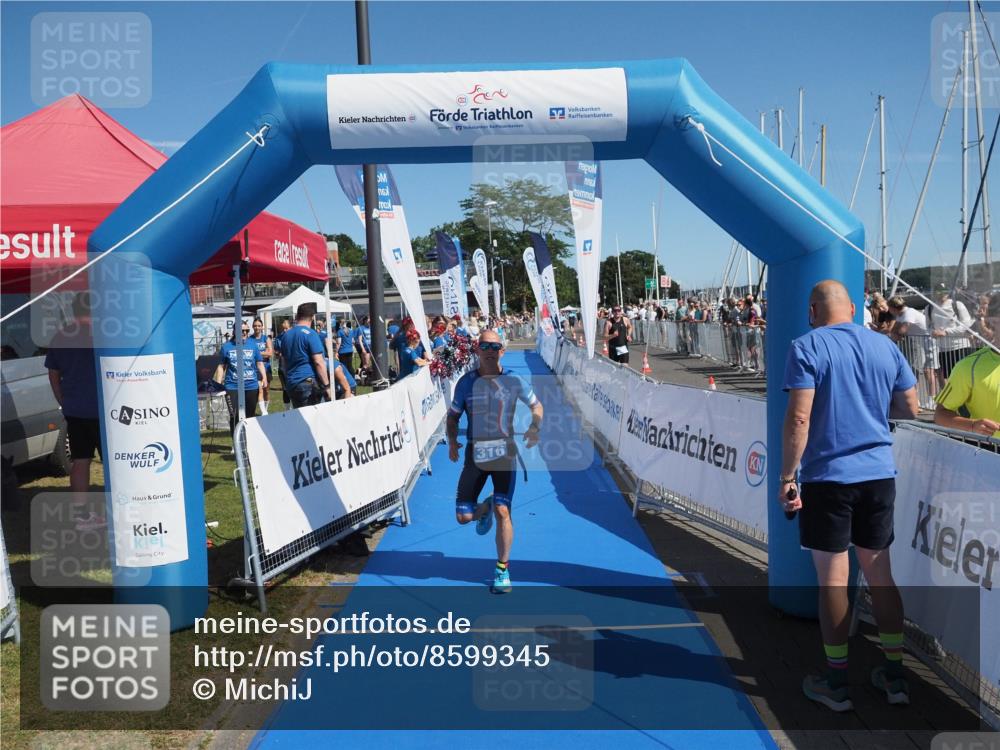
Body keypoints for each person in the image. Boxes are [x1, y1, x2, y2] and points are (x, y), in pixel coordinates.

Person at [780, 280, 919, 712]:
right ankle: (895, 677)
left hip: (829, 479)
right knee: (880, 575)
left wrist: (787, 475)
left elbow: (800, 418)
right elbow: (910, 408)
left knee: (833, 581)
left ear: (812, 310)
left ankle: (837, 683)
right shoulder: (884, 346)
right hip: (879, 475)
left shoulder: (806, 346)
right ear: (855, 308)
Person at [447, 331, 544, 594]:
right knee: (463, 516)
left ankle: (502, 570)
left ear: (502, 350)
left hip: (504, 454)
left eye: (495, 346)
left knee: (504, 511)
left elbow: (537, 406)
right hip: (475, 455)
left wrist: (534, 427)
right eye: (484, 345)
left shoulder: (513, 380)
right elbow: (453, 417)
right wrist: (452, 440)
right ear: (477, 350)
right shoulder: (466, 383)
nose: (489, 349)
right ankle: (484, 508)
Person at [45, 292, 104, 530]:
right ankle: (122, 511)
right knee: (115, 462)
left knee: (80, 460)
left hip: (75, 409)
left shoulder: (61, 336)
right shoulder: (103, 334)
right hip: (104, 410)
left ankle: (82, 516)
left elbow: (53, 374)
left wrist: (63, 400)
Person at [933, 294, 1000, 438]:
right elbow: (941, 414)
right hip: (992, 453)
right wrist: (972, 425)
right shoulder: (968, 367)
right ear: (993, 321)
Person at [214, 322, 267, 437]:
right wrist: (218, 383)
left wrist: (264, 377)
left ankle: (249, 441)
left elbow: (259, 363)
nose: (244, 333)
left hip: (251, 385)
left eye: (247, 331)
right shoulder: (226, 347)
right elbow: (221, 366)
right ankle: (236, 442)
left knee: (250, 415)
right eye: (242, 330)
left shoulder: (253, 345)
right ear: (234, 331)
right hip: (232, 386)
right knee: (234, 415)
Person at [279, 303, 331, 408]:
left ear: (297, 316)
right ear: (312, 317)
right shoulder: (311, 334)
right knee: (312, 419)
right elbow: (319, 362)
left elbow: (283, 361)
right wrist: (327, 386)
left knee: (300, 417)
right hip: (307, 382)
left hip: (292, 383)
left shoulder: (285, 335)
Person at [929, 285, 974, 380]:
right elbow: (928, 326)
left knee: (966, 378)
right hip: (943, 349)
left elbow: (966, 325)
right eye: (938, 291)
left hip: (961, 347)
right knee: (951, 379)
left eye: (944, 291)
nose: (942, 293)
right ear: (934, 292)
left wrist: (946, 332)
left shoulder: (957, 305)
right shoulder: (929, 307)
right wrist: (932, 332)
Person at [273, 319, 292, 406]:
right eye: (283, 328)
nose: (285, 330)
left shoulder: (294, 336)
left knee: (293, 386)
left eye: (286, 328)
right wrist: (277, 353)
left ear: (290, 327)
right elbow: (276, 351)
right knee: (285, 388)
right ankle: (287, 408)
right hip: (282, 364)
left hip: (292, 364)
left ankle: (294, 406)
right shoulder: (279, 337)